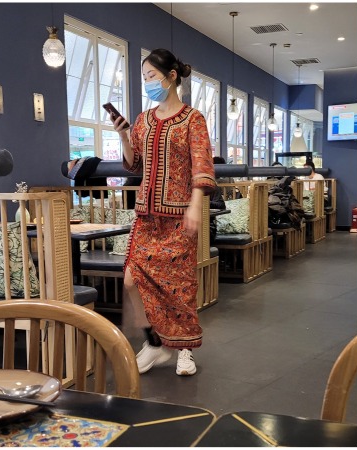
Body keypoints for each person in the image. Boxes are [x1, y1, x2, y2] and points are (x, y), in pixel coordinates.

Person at [109, 48, 216, 376]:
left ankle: (185, 349)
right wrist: (124, 134)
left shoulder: (193, 119)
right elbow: (134, 163)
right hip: (146, 217)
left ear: (172, 77)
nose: (148, 83)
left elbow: (202, 164)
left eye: (152, 76)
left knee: (178, 286)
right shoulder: (143, 120)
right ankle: (154, 343)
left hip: (179, 217)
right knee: (131, 280)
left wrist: (196, 206)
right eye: (144, 78)